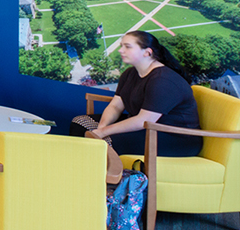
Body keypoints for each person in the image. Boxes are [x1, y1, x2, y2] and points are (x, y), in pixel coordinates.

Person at [70, 30, 203, 157]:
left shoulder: (163, 80)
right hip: (147, 128)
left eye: (128, 47)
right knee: (80, 122)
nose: (121, 50)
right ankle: (84, 169)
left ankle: (106, 178)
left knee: (108, 141)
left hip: (175, 137)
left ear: (147, 52)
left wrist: (103, 133)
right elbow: (115, 106)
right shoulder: (130, 74)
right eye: (122, 46)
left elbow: (143, 120)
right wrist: (101, 128)